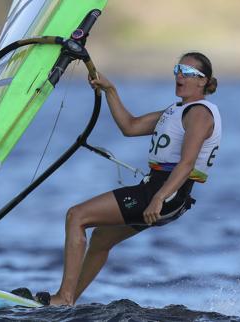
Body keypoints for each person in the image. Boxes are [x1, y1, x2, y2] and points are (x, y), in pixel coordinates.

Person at [49, 52, 221, 306]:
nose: (180, 76)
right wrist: (110, 90)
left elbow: (186, 165)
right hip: (165, 195)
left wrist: (159, 198)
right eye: (178, 69)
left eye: (188, 72)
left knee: (77, 216)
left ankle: (63, 297)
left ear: (203, 81)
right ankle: (70, 300)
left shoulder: (200, 114)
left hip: (163, 192)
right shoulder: (176, 111)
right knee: (101, 238)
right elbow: (129, 126)